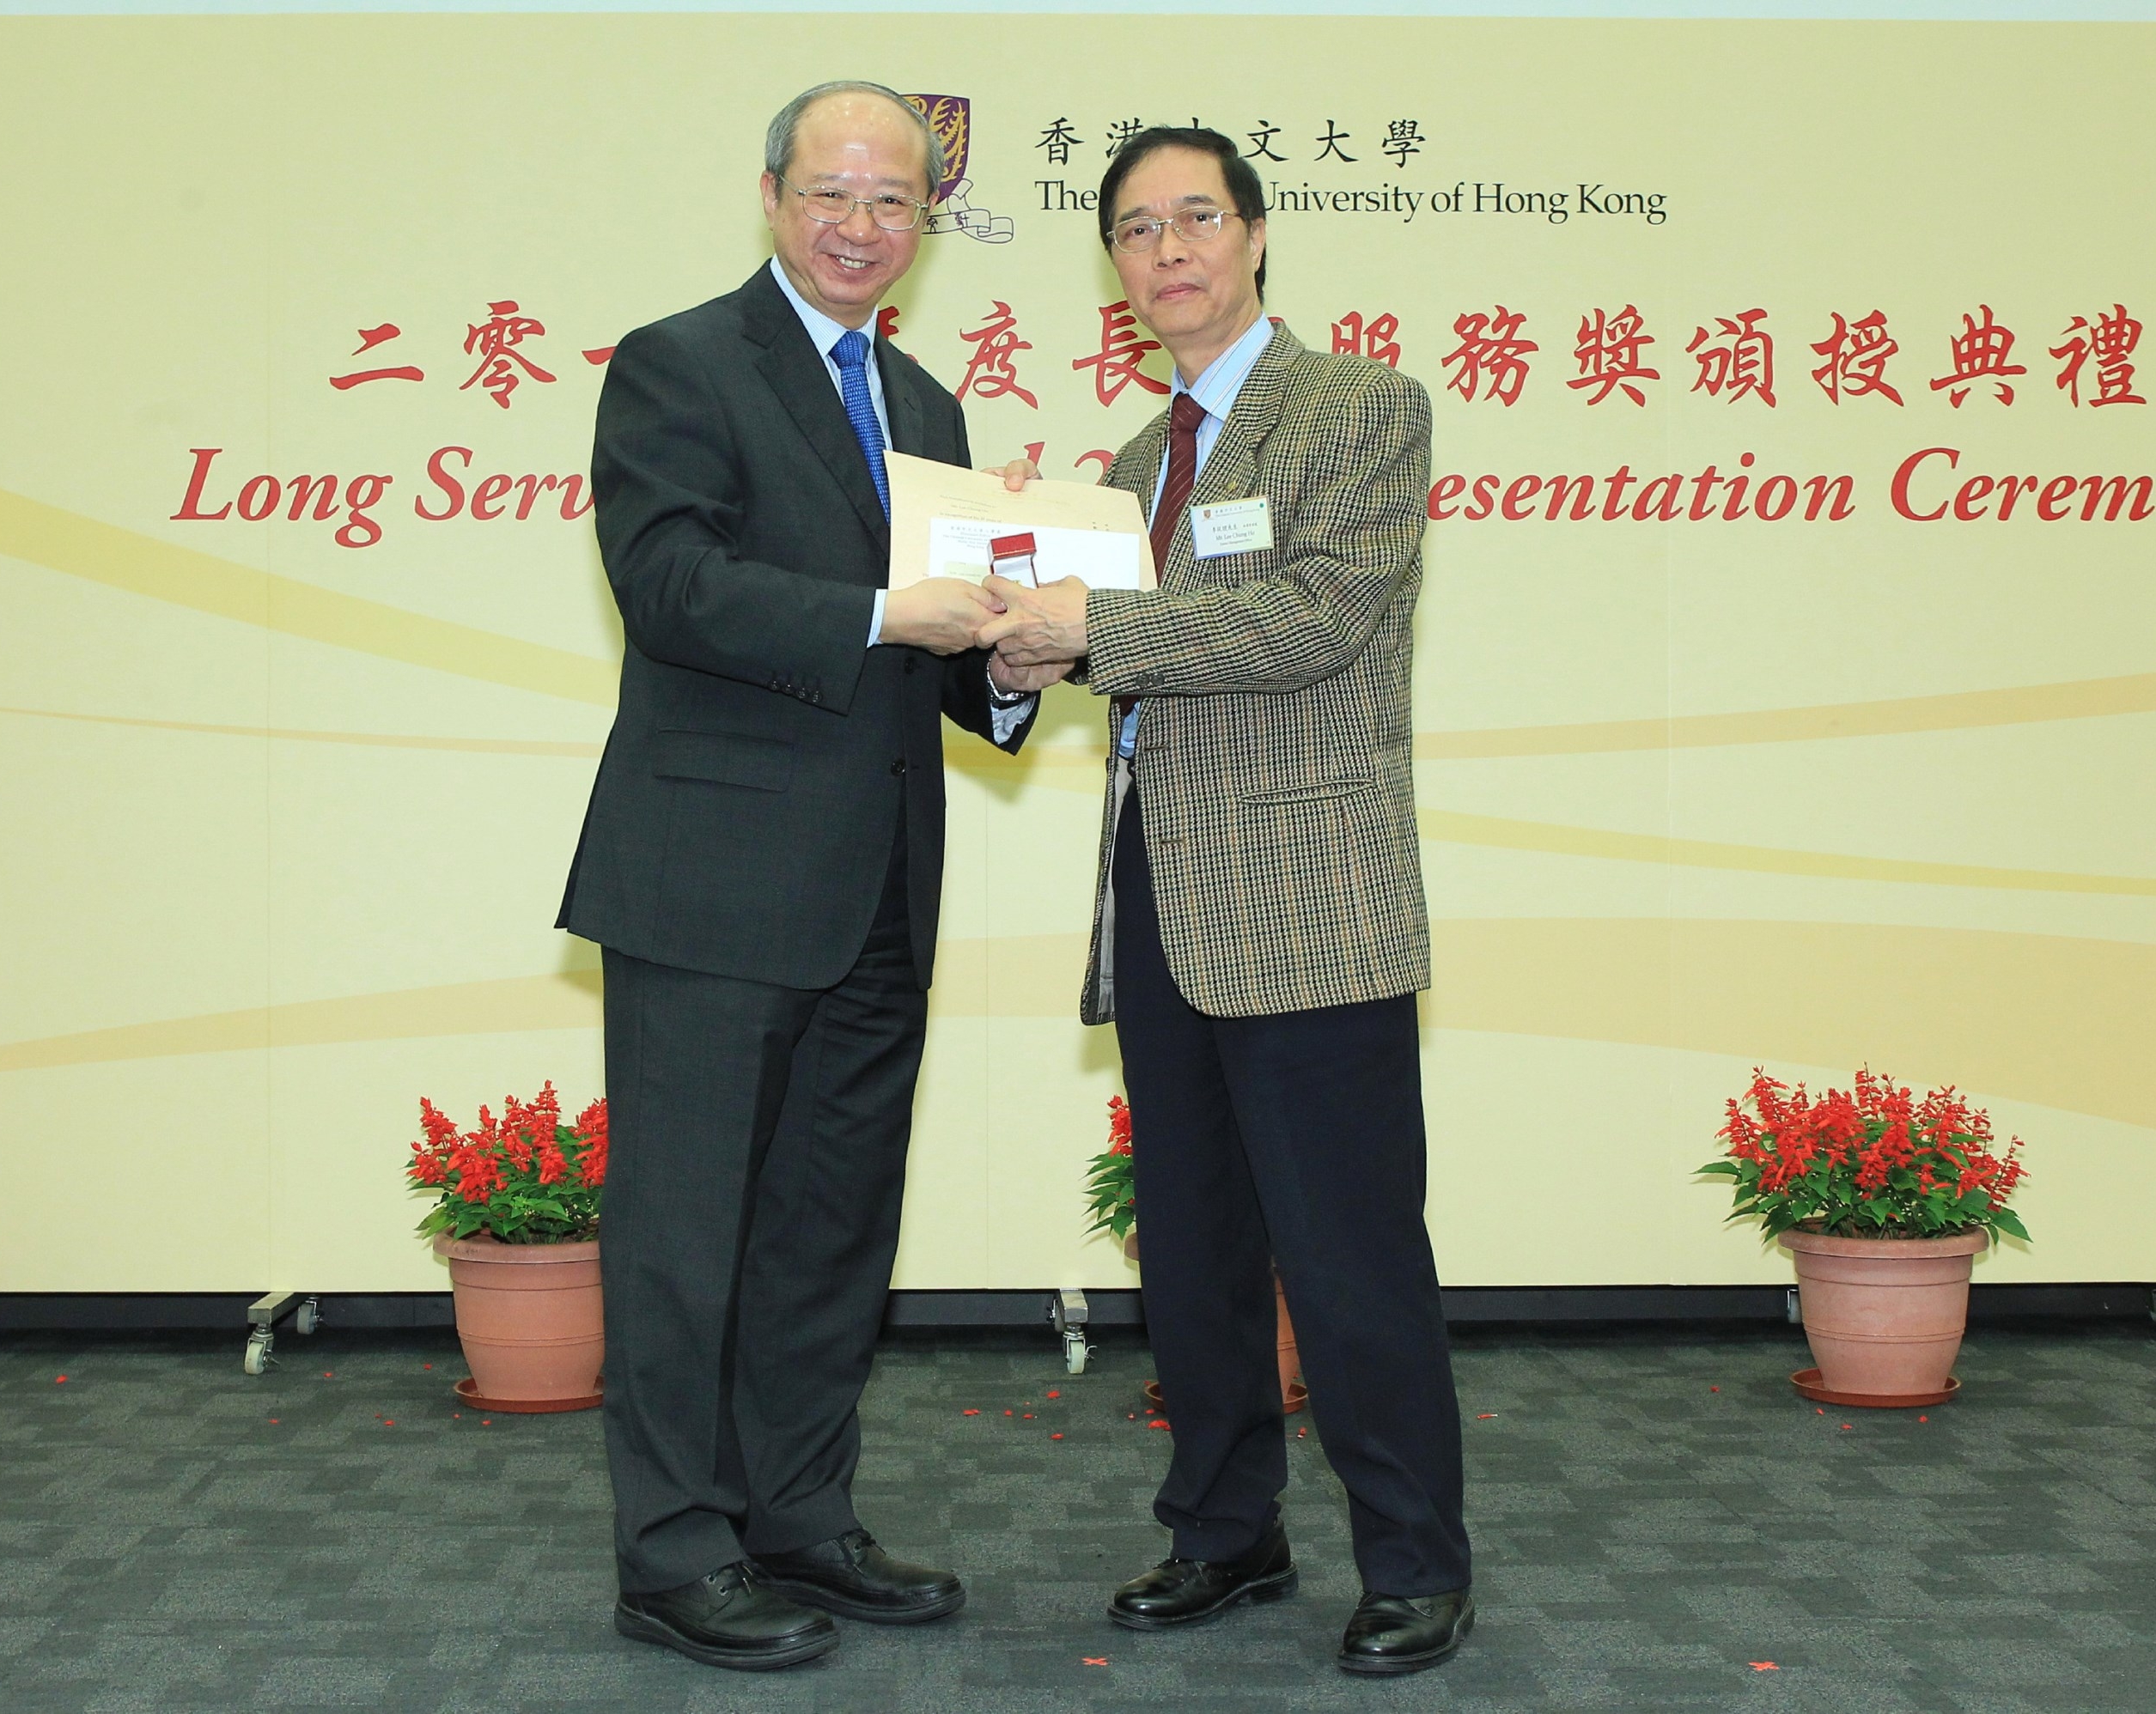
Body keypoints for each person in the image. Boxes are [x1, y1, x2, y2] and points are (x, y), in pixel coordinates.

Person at [552, 80, 1038, 1672]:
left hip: (881, 882)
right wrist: (875, 619)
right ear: (771, 197)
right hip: (710, 876)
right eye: (831, 193)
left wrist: (1021, 663)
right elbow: (669, 580)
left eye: (892, 201)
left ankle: (798, 1517)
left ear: (924, 224)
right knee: (688, 1230)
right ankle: (673, 1550)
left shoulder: (928, 408)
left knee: (831, 1223)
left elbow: (953, 658)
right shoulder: (681, 362)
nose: (859, 226)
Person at [982, 125, 1474, 1675]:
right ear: (1116, 270)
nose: (1168, 248)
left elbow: (1313, 617)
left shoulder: (1359, 409)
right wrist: (1012, 638)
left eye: (1196, 217)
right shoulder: (1125, 468)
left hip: (1310, 897)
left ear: (1255, 236)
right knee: (1191, 1249)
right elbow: (1112, 660)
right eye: (1135, 229)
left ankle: (1413, 1561)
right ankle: (1223, 1532)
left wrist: (1087, 621)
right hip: (1159, 896)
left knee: (1349, 1254)